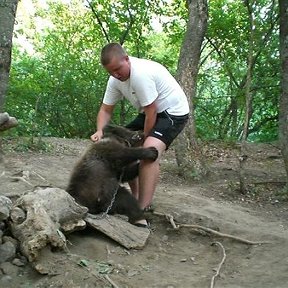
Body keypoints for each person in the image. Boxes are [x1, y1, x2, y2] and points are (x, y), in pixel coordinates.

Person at [91, 43, 189, 227]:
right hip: (150, 112)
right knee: (121, 147)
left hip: (172, 113)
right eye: (111, 72)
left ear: (126, 59)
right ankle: (134, 198)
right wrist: (99, 130)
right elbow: (105, 109)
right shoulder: (115, 81)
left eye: (118, 69)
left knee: (148, 152)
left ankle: (141, 210)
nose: (116, 75)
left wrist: (144, 137)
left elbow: (152, 111)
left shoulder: (141, 75)